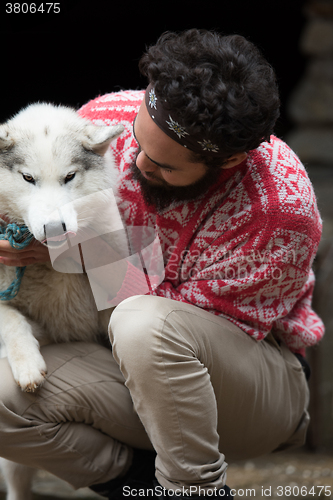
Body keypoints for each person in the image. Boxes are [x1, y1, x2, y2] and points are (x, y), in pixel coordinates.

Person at [0, 29, 324, 499]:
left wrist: (74, 249)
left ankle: (194, 489)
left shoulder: (279, 212)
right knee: (7, 396)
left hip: (244, 378)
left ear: (229, 160)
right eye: (138, 142)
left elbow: (171, 323)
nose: (137, 164)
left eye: (164, 166)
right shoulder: (103, 121)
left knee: (142, 324)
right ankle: (138, 484)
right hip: (117, 351)